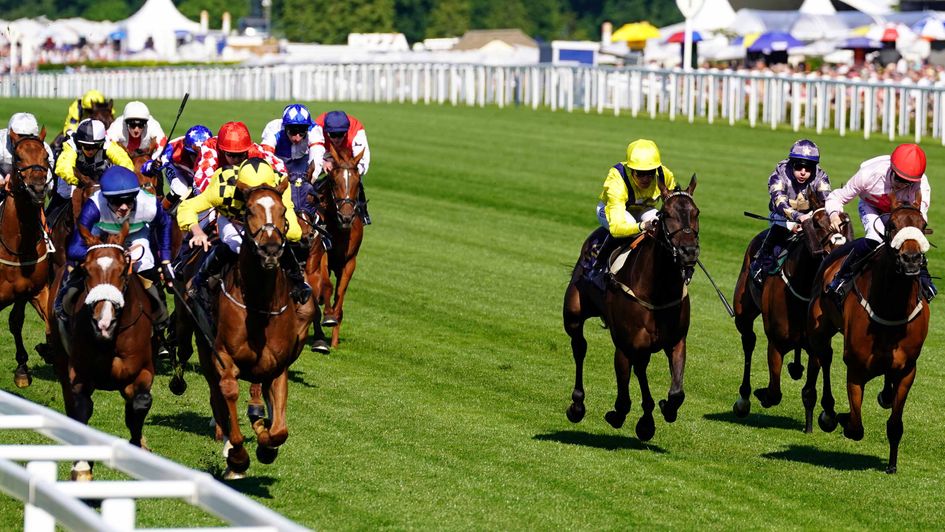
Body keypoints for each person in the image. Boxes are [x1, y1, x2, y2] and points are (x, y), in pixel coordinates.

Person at [56, 165, 174, 354]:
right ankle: (63, 308)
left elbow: (165, 223)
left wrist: (166, 259)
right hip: (101, 237)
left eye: (129, 201)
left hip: (135, 236)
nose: (124, 207)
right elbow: (74, 248)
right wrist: (107, 255)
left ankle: (159, 326)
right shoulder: (94, 205)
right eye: (117, 202)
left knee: (148, 268)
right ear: (106, 198)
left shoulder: (149, 204)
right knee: (83, 270)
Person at [177, 158, 311, 312]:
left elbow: (294, 231)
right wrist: (197, 231)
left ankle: (298, 281)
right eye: (253, 193)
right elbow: (187, 206)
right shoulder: (222, 189)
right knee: (237, 246)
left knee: (279, 240)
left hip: (264, 220)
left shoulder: (280, 183)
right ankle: (200, 281)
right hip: (233, 220)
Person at [825, 143, 935, 301]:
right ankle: (842, 277)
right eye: (898, 178)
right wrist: (834, 214)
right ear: (891, 169)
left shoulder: (921, 184)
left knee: (913, 240)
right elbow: (837, 197)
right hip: (871, 206)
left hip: (901, 213)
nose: (902, 184)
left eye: (907, 182)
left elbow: (920, 219)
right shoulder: (868, 175)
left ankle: (925, 279)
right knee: (874, 239)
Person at [586, 139, 677, 290]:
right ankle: (598, 268)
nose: (646, 178)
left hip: (642, 208)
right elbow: (617, 228)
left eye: (650, 173)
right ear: (631, 169)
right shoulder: (617, 178)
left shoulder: (663, 175)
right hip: (611, 210)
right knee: (628, 224)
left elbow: (673, 204)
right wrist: (642, 226)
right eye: (640, 174)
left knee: (660, 224)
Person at [749, 139, 831, 284]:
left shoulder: (821, 177)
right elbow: (780, 202)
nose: (803, 172)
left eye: (808, 168)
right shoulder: (779, 175)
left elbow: (826, 202)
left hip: (809, 218)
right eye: (799, 167)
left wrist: (812, 219)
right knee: (778, 230)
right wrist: (797, 219)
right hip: (782, 216)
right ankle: (761, 262)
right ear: (792, 164)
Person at [50, 118, 134, 215]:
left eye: (95, 147)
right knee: (63, 195)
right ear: (79, 143)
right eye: (86, 146)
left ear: (102, 143)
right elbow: (64, 167)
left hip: (98, 175)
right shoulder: (71, 145)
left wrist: (115, 181)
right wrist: (79, 180)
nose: (90, 151)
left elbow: (125, 163)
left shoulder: (108, 145)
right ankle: (49, 223)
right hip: (74, 177)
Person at [192, 121, 287, 194]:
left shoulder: (254, 150)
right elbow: (202, 181)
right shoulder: (210, 149)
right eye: (231, 155)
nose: (237, 159)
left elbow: (280, 169)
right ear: (221, 150)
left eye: (241, 154)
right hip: (208, 188)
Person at [314, 110, 372, 224]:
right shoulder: (316, 128)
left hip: (348, 160)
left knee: (352, 180)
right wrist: (323, 163)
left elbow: (364, 162)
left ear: (347, 131)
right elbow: (308, 155)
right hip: (324, 154)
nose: (336, 139)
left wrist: (346, 171)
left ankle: (363, 213)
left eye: (340, 135)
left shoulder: (356, 130)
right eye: (333, 135)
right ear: (326, 132)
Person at [142, 124, 212, 209]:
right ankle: (160, 214)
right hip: (178, 171)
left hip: (198, 176)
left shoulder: (216, 151)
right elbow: (145, 168)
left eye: (203, 154)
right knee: (181, 190)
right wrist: (153, 166)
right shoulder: (173, 147)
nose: (199, 159)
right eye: (194, 155)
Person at [261, 103, 325, 180]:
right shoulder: (273, 128)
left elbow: (316, 158)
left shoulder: (314, 130)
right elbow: (266, 155)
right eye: (293, 132)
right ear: (285, 127)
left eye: (302, 132)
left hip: (302, 162)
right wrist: (282, 173)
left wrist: (311, 179)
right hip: (279, 162)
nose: (297, 138)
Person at [0, 113, 54, 196]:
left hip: (26, 184)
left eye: (29, 136)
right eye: (20, 136)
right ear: (11, 134)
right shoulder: (1, 142)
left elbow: (49, 172)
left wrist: (46, 185)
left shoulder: (43, 149)